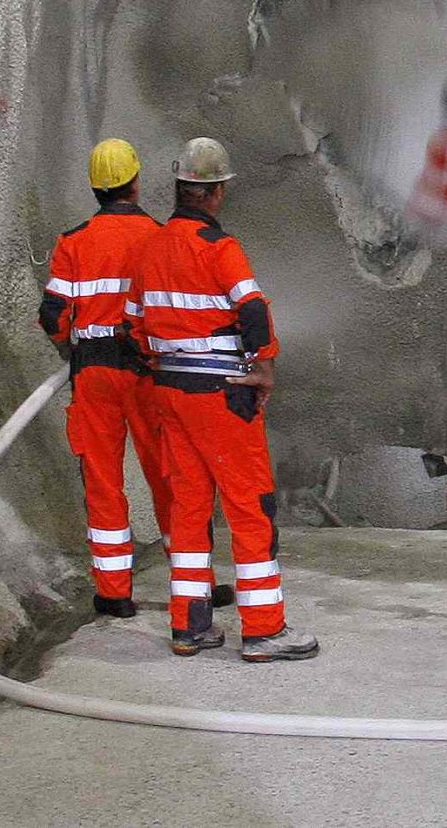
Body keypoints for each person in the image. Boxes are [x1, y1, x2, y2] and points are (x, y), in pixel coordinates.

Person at [133, 138, 318, 662]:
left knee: (189, 508)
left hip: (171, 395)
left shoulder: (148, 248)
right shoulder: (220, 249)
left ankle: (190, 627)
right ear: (215, 193)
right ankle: (263, 629)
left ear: (180, 188)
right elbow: (253, 311)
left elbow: (134, 325)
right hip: (222, 398)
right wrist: (263, 368)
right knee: (249, 505)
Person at [41, 139, 198, 617]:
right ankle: (191, 589)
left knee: (103, 481)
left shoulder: (73, 242)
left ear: (95, 187)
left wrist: (72, 349)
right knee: (169, 476)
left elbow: (52, 317)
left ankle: (114, 593)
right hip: (149, 373)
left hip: (93, 375)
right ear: (135, 181)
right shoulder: (158, 237)